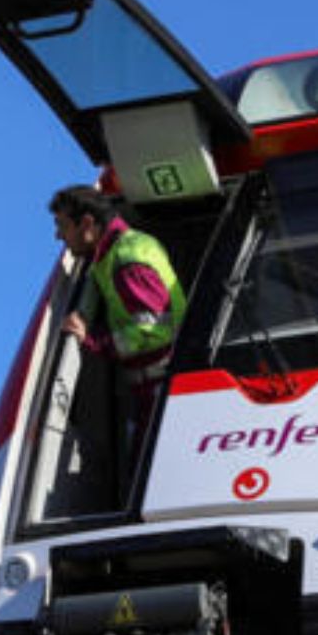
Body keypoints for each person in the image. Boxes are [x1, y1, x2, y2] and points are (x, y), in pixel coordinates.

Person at [49, 184, 184, 452]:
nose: (58, 236)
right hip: (158, 389)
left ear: (87, 223)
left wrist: (92, 340)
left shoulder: (126, 260)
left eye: (63, 226)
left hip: (161, 390)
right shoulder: (130, 244)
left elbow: (153, 331)